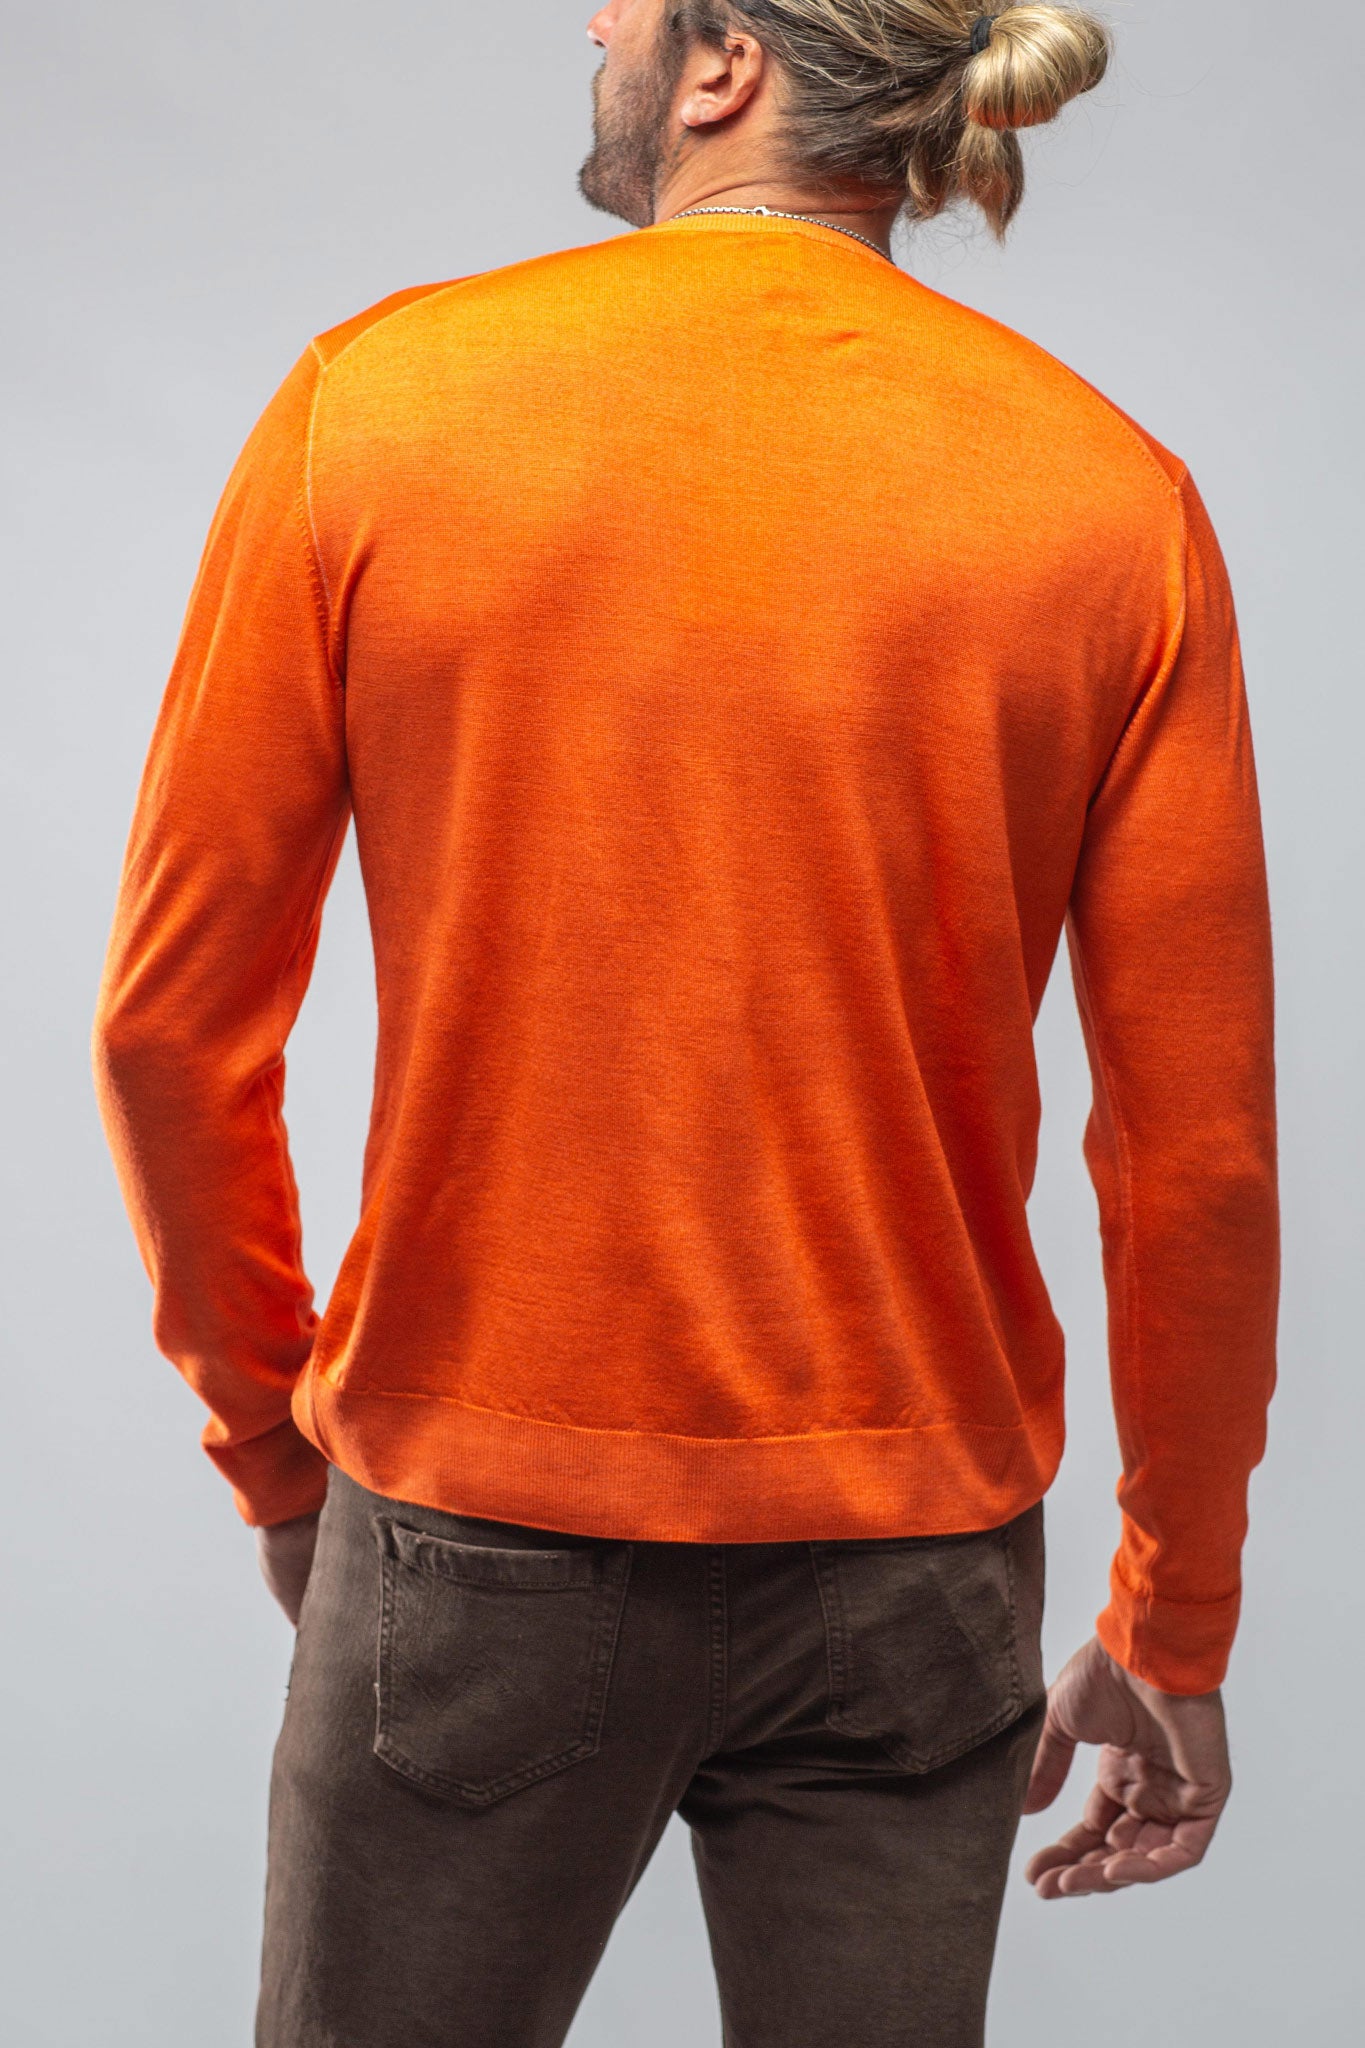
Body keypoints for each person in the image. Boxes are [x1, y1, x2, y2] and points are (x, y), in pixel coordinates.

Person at [91, 2, 1279, 2042]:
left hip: (473, 1523)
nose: (597, 27)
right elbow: (1198, 1158)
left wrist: (274, 1451)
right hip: (916, 1565)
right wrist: (1171, 1614)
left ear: (725, 61)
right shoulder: (1110, 499)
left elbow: (169, 1031)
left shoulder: (376, 407)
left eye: (631, 6)